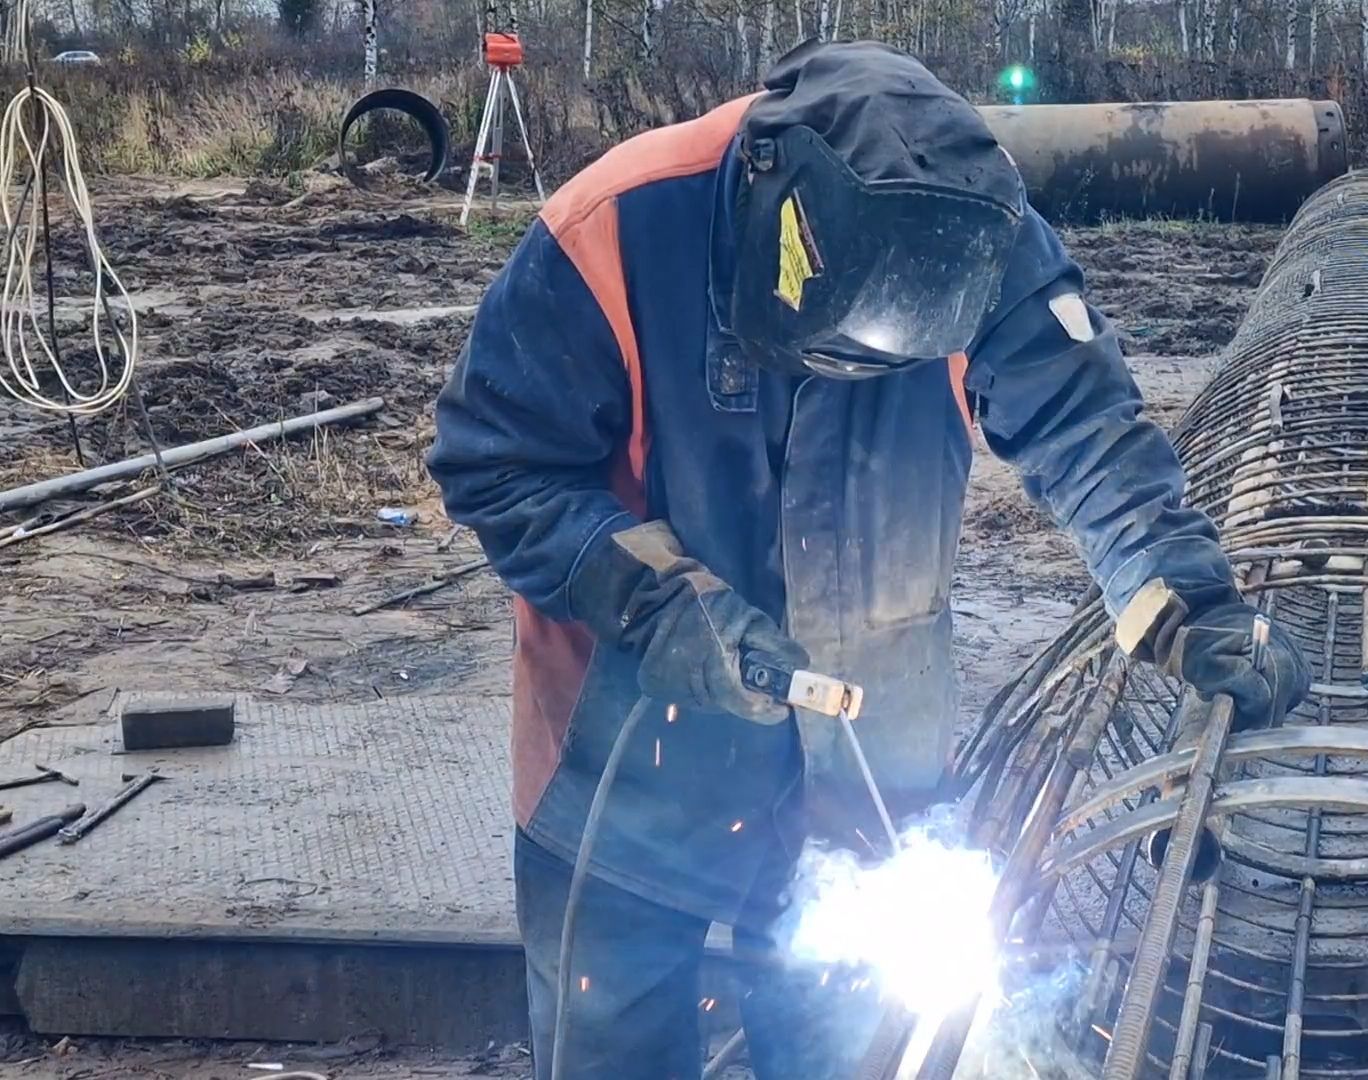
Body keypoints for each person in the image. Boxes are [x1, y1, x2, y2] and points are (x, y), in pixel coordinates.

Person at [427, 39, 1310, 1080]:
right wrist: (656, 604)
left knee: (858, 1050)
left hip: (865, 779)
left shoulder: (975, 231)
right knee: (615, 1043)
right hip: (624, 771)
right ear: (770, 208)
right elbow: (497, 462)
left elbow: (1085, 423)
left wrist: (1186, 592)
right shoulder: (612, 227)